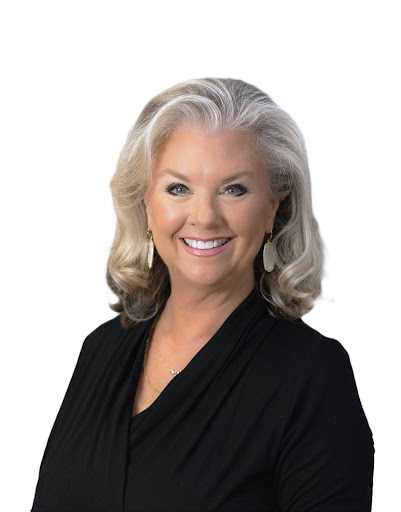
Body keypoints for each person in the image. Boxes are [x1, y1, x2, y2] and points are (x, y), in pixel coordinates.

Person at [31, 78, 374, 511]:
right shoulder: (101, 349)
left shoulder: (313, 375)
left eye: (234, 189)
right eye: (178, 188)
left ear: (273, 206)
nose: (204, 216)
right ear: (145, 202)